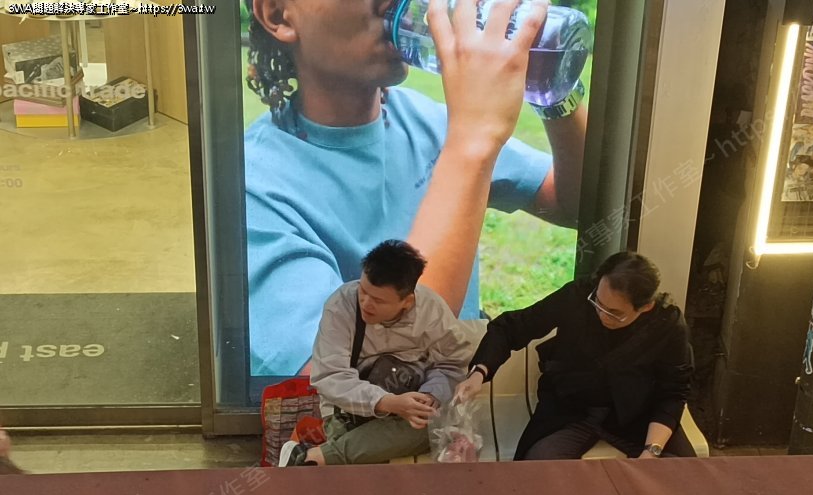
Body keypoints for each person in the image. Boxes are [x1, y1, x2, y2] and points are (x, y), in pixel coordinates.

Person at [244, 0, 587, 376]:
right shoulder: (254, 187)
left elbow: (574, 203)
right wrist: (470, 142)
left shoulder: (426, 120)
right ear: (278, 14)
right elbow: (337, 377)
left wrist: (554, 91)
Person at [454, 252, 694, 460]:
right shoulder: (578, 295)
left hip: (636, 415)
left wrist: (651, 451)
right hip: (571, 407)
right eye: (598, 302)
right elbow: (512, 328)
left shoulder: (667, 323)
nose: (602, 315)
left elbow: (673, 392)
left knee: (682, 475)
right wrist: (479, 373)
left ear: (645, 307)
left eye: (614, 313)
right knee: (536, 467)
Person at [279, 240, 471, 466]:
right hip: (351, 411)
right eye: (363, 291)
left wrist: (429, 397)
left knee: (436, 426)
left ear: (407, 301)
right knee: (423, 434)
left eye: (378, 300)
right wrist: (387, 402)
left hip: (409, 405)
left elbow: (454, 362)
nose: (366, 303)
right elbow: (330, 376)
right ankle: (320, 457)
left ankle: (310, 458)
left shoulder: (431, 309)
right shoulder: (341, 305)